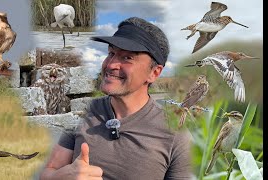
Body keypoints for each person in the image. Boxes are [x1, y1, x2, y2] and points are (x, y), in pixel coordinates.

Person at [40, 17, 192, 180]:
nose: (111, 65)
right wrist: (61, 177)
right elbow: (49, 172)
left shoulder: (176, 134)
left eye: (127, 58)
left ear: (154, 73)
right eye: (111, 53)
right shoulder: (83, 114)